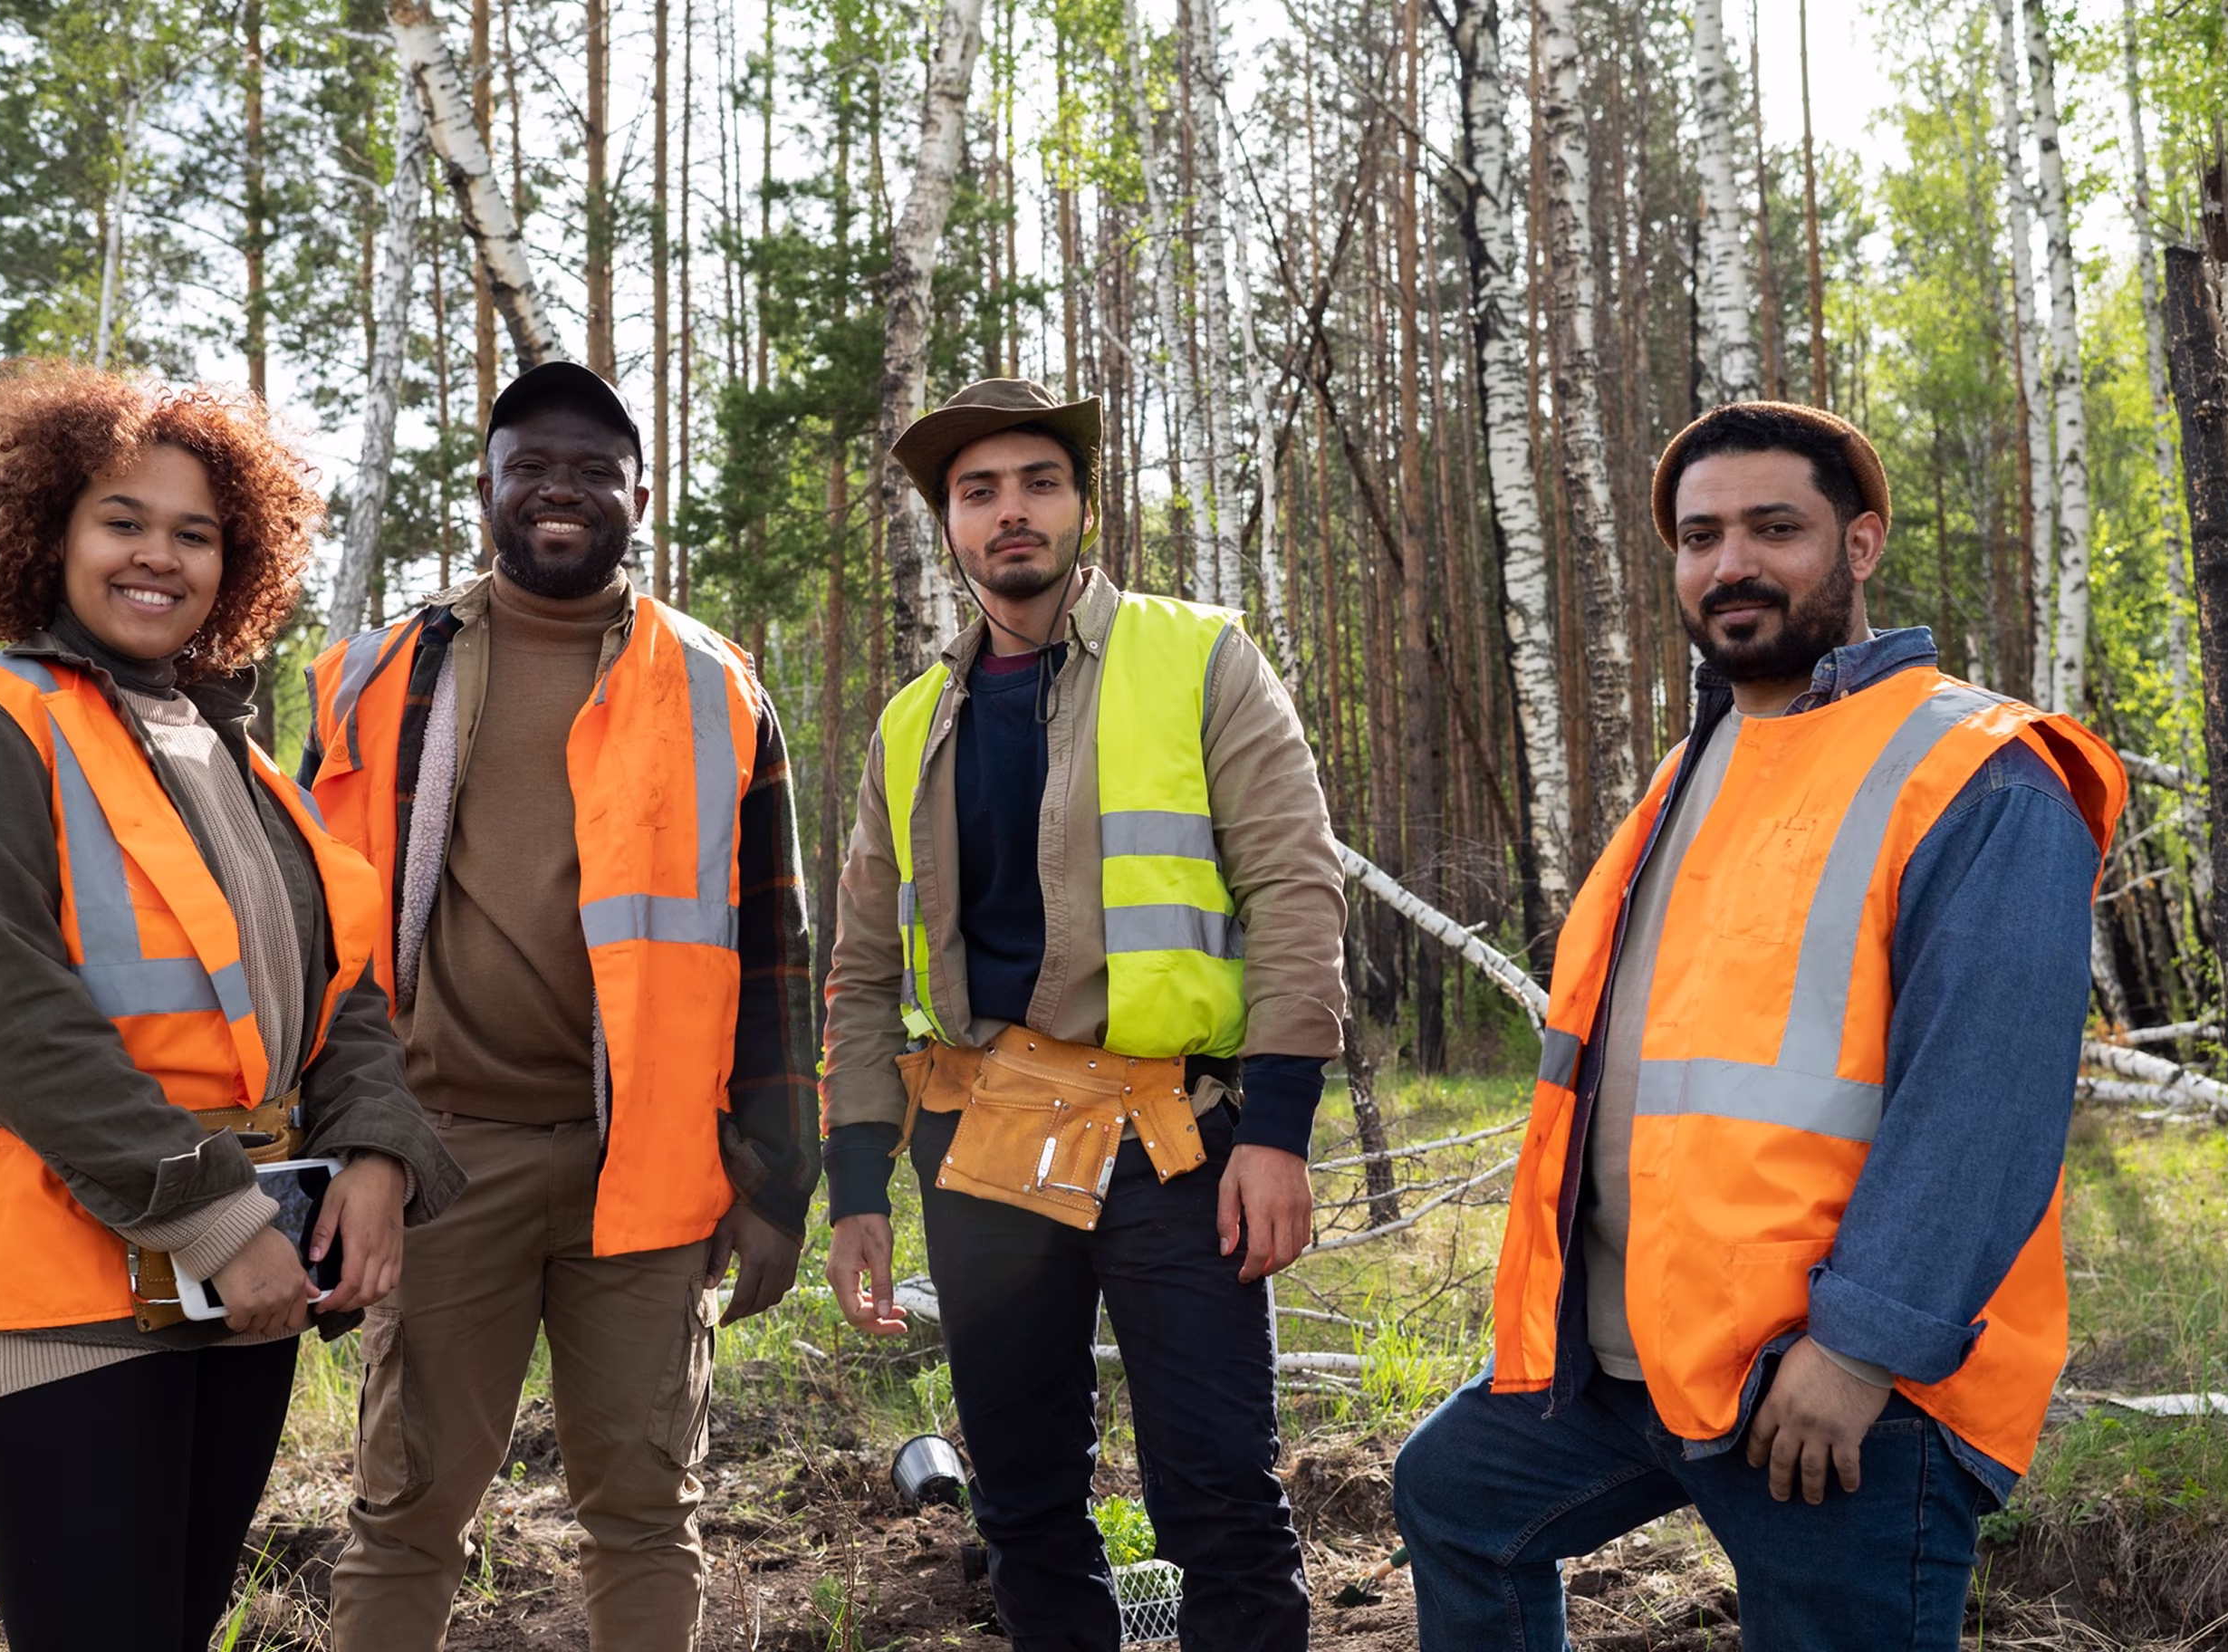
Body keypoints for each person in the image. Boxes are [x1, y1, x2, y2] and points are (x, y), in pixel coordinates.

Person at [1390, 402, 2126, 1649]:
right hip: (1642, 1355)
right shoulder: (1701, 765)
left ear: (1861, 543)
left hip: (1842, 1390)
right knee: (1455, 1497)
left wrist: (1860, 1353)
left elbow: (1983, 1106)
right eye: (1699, 536)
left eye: (1773, 528)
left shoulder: (1981, 771)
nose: (1730, 563)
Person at [0, 360, 463, 1652]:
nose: (159, 557)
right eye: (123, 520)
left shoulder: (228, 751)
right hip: (72, 1285)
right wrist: (211, 1212)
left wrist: (373, 1154)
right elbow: (5, 1015)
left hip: (237, 1282)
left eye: (196, 533)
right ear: (51, 534)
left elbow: (335, 988)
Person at [820, 377, 1346, 1652]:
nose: (1011, 514)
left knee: (1220, 1493)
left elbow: (1294, 885)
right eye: (978, 492)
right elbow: (858, 974)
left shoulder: (1200, 657)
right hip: (985, 1142)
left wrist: (1276, 1130)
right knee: (1024, 1500)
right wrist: (854, 1191)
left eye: (1037, 484)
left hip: (1175, 1138)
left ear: (1083, 504)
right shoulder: (908, 724)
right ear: (948, 525)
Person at [306, 360, 818, 1650]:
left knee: (646, 1507)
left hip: (645, 1173)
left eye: (595, 469)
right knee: (406, 1512)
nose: (561, 490)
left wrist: (775, 1180)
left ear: (639, 494)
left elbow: (776, 955)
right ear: (484, 487)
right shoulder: (376, 678)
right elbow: (319, 942)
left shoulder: (716, 686)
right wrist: (332, 1156)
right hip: (442, 1159)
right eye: (532, 464)